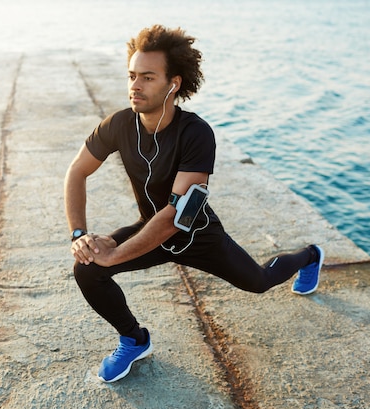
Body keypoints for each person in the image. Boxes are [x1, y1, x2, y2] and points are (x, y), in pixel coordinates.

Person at [64, 24, 324, 383]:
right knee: (88, 268)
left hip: (196, 236)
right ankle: (135, 339)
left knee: (259, 282)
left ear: (173, 83)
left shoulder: (196, 133)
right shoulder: (119, 125)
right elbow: (77, 172)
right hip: (149, 227)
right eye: (132, 75)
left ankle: (310, 256)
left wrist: (116, 253)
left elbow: (175, 218)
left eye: (148, 77)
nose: (134, 86)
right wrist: (80, 234)